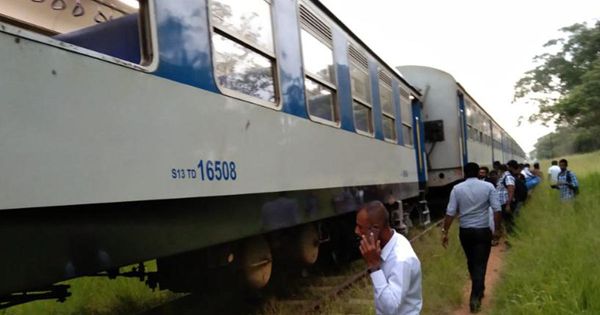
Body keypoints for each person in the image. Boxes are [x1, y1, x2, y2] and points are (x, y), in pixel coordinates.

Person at [442, 162, 501, 313]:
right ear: (478, 173)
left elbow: (450, 213)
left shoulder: (457, 189)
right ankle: (475, 297)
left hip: (465, 232)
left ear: (464, 173)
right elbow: (497, 209)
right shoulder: (488, 187)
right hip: (482, 231)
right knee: (480, 264)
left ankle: (478, 288)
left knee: (471, 261)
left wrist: (445, 231)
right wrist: (497, 229)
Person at [355, 201, 422, 315]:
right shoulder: (393, 240)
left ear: (375, 229)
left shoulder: (401, 260)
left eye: (361, 227)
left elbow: (390, 308)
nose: (356, 231)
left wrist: (374, 266)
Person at [496, 160, 517, 234]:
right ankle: (509, 237)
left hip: (506, 203)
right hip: (503, 203)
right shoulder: (504, 177)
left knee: (508, 221)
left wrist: (508, 205)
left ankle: (511, 238)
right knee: (506, 221)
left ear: (500, 170)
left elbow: (511, 190)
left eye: (498, 171)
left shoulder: (508, 177)